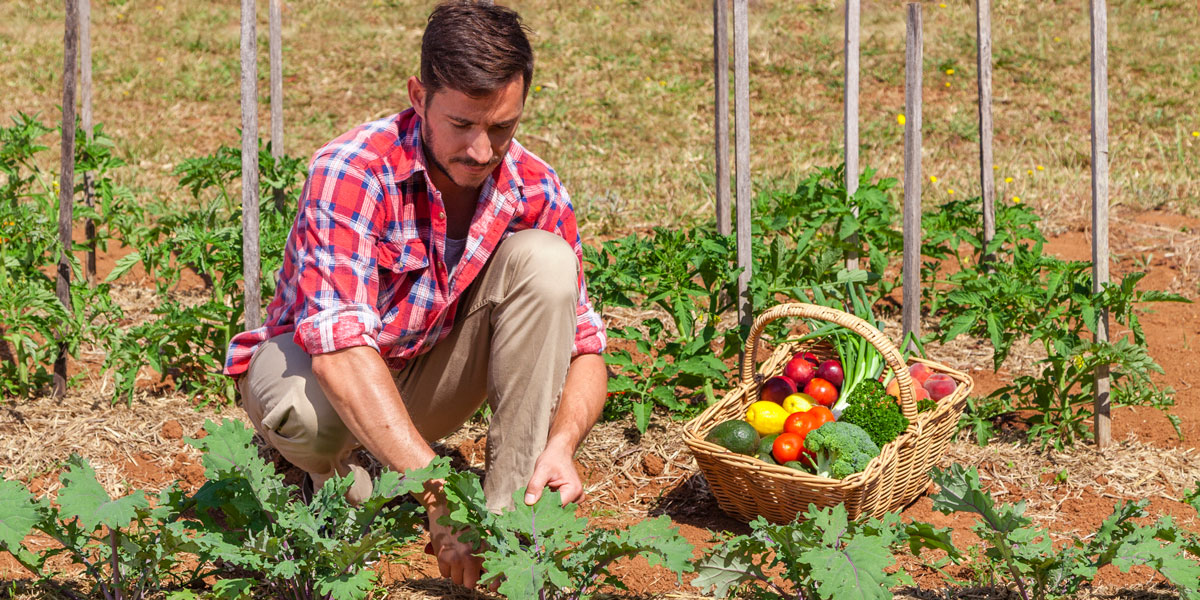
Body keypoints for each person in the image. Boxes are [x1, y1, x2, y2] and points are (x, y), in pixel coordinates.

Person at [222, 1, 607, 590]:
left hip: (424, 378)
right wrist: (438, 489)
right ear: (419, 96)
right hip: (316, 377)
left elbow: (586, 348)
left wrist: (562, 443)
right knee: (312, 427)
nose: (482, 151)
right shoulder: (353, 171)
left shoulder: (535, 186)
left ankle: (505, 527)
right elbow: (340, 353)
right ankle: (332, 474)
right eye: (462, 124)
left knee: (547, 265)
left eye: (502, 127)